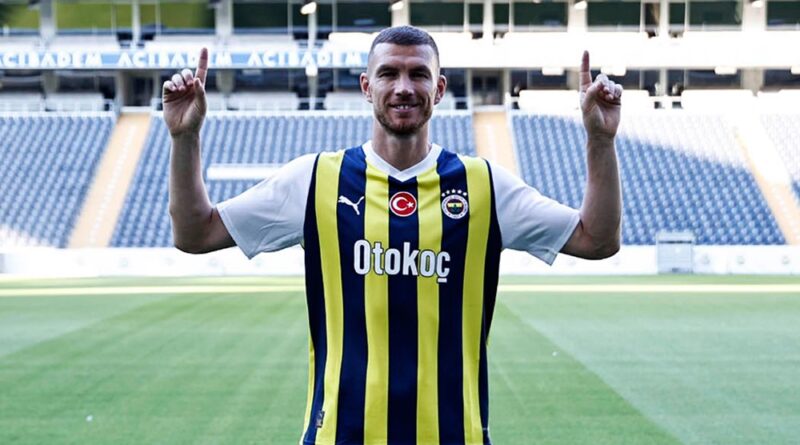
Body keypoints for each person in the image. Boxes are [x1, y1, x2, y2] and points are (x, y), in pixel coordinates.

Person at [163, 26, 621, 445]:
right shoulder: (316, 179)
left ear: (439, 89)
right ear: (367, 87)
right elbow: (195, 233)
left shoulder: (483, 185)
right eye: (388, 74)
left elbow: (597, 240)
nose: (404, 87)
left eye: (419, 74)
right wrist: (185, 139)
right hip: (340, 436)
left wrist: (600, 141)